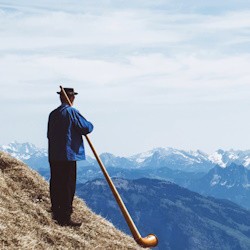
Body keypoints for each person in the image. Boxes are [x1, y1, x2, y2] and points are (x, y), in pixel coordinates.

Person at [47, 87, 93, 227]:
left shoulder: (53, 114)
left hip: (54, 154)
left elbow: (49, 134)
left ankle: (56, 212)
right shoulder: (72, 112)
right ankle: (65, 217)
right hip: (68, 154)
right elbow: (86, 127)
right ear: (71, 98)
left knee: (56, 183)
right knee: (67, 185)